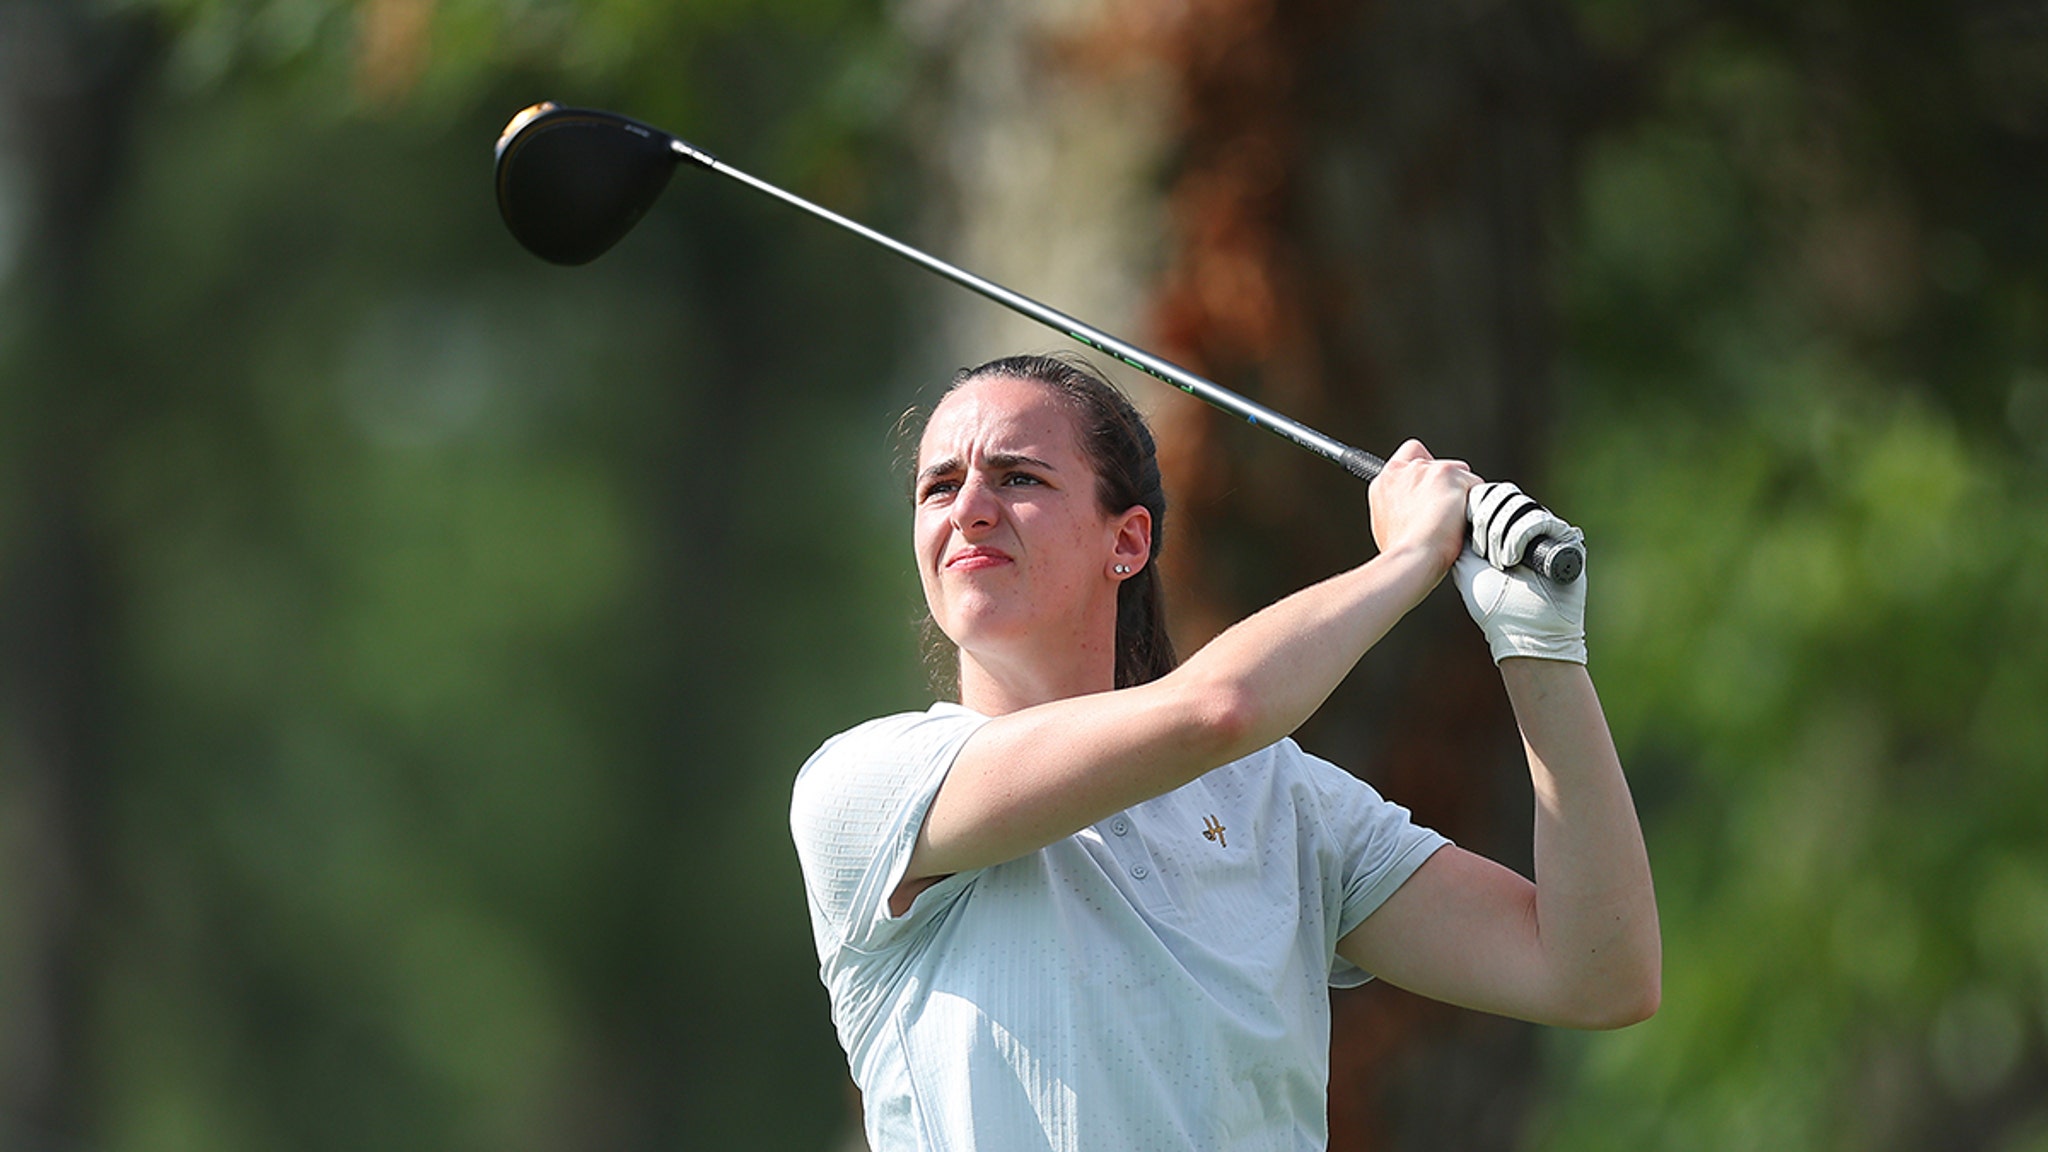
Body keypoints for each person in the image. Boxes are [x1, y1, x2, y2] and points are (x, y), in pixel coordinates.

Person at [789, 353, 1659, 1151]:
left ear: (1125, 543)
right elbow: (1220, 707)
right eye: (938, 487)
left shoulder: (1284, 803)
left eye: (1019, 477)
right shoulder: (868, 790)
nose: (970, 506)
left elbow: (1597, 974)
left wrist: (1539, 650)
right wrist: (1409, 559)